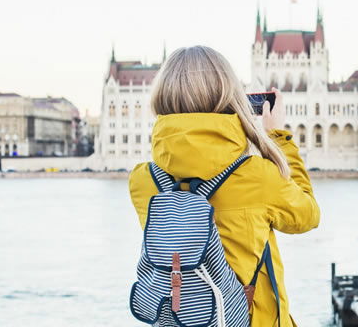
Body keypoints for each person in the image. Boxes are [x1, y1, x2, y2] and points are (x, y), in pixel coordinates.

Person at [128, 45, 320, 326]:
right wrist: (278, 137)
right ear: (229, 97)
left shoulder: (143, 180)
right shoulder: (258, 176)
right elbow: (308, 216)